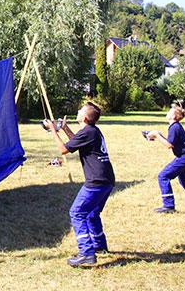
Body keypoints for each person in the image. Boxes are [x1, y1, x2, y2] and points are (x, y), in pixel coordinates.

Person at [43, 102, 115, 267]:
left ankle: (86, 253)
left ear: (84, 118)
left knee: (77, 213)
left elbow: (63, 150)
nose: (77, 111)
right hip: (107, 180)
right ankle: (99, 245)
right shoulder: (92, 131)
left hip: (96, 181)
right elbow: (77, 141)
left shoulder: (88, 132)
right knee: (91, 213)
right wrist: (65, 128)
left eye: (80, 110)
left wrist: (53, 130)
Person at [147, 104, 185, 213]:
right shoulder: (175, 126)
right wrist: (155, 136)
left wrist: (157, 135)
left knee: (163, 176)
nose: (168, 112)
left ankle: (168, 206)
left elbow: (169, 145)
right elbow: (171, 142)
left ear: (174, 116)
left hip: (184, 158)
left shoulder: (174, 127)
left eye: (170, 111)